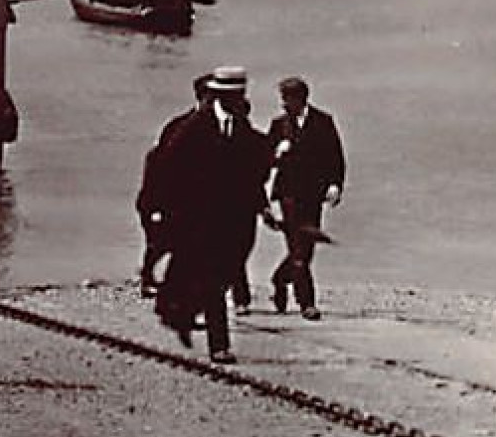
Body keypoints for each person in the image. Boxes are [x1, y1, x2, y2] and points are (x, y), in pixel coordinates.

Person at [151, 67, 272, 364]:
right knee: (212, 281)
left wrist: (262, 204)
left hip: (237, 222)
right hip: (200, 222)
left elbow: (252, 176)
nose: (237, 100)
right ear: (219, 95)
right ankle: (219, 344)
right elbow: (168, 171)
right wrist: (167, 214)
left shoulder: (245, 131)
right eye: (232, 95)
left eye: (240, 94)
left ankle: (186, 305)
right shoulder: (191, 129)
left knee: (225, 275)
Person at [267, 77, 346, 320]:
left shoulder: (323, 122)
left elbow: (336, 157)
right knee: (299, 249)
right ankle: (307, 303)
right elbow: (263, 159)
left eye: (287, 99)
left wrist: (335, 185)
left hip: (314, 195)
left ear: (300, 98)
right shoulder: (279, 125)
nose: (283, 104)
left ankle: (280, 280)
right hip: (288, 195)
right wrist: (276, 153)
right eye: (282, 98)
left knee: (306, 249)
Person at [136, 73, 213, 297]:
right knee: (163, 241)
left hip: (200, 197)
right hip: (173, 197)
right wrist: (156, 204)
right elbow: (160, 165)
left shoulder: (221, 125)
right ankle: (148, 277)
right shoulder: (179, 126)